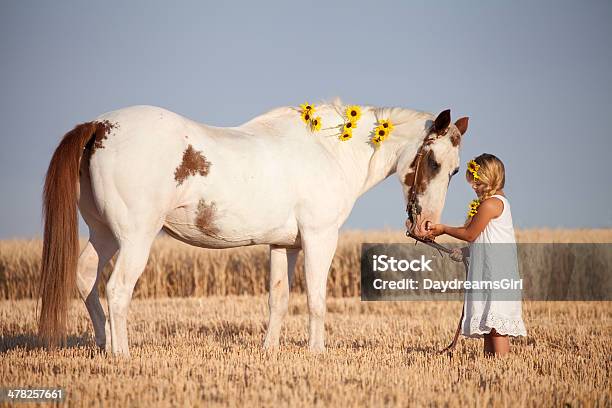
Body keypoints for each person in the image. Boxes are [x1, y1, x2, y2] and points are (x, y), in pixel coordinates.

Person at [426, 153, 527, 356]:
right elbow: (485, 240)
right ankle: (492, 368)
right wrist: (464, 252)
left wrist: (443, 229)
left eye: (477, 182)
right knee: (489, 325)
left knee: (497, 329)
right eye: (473, 182)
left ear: (491, 178)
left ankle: (503, 367)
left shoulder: (491, 204)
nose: (473, 187)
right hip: (489, 271)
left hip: (496, 275)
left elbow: (471, 234)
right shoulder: (494, 203)